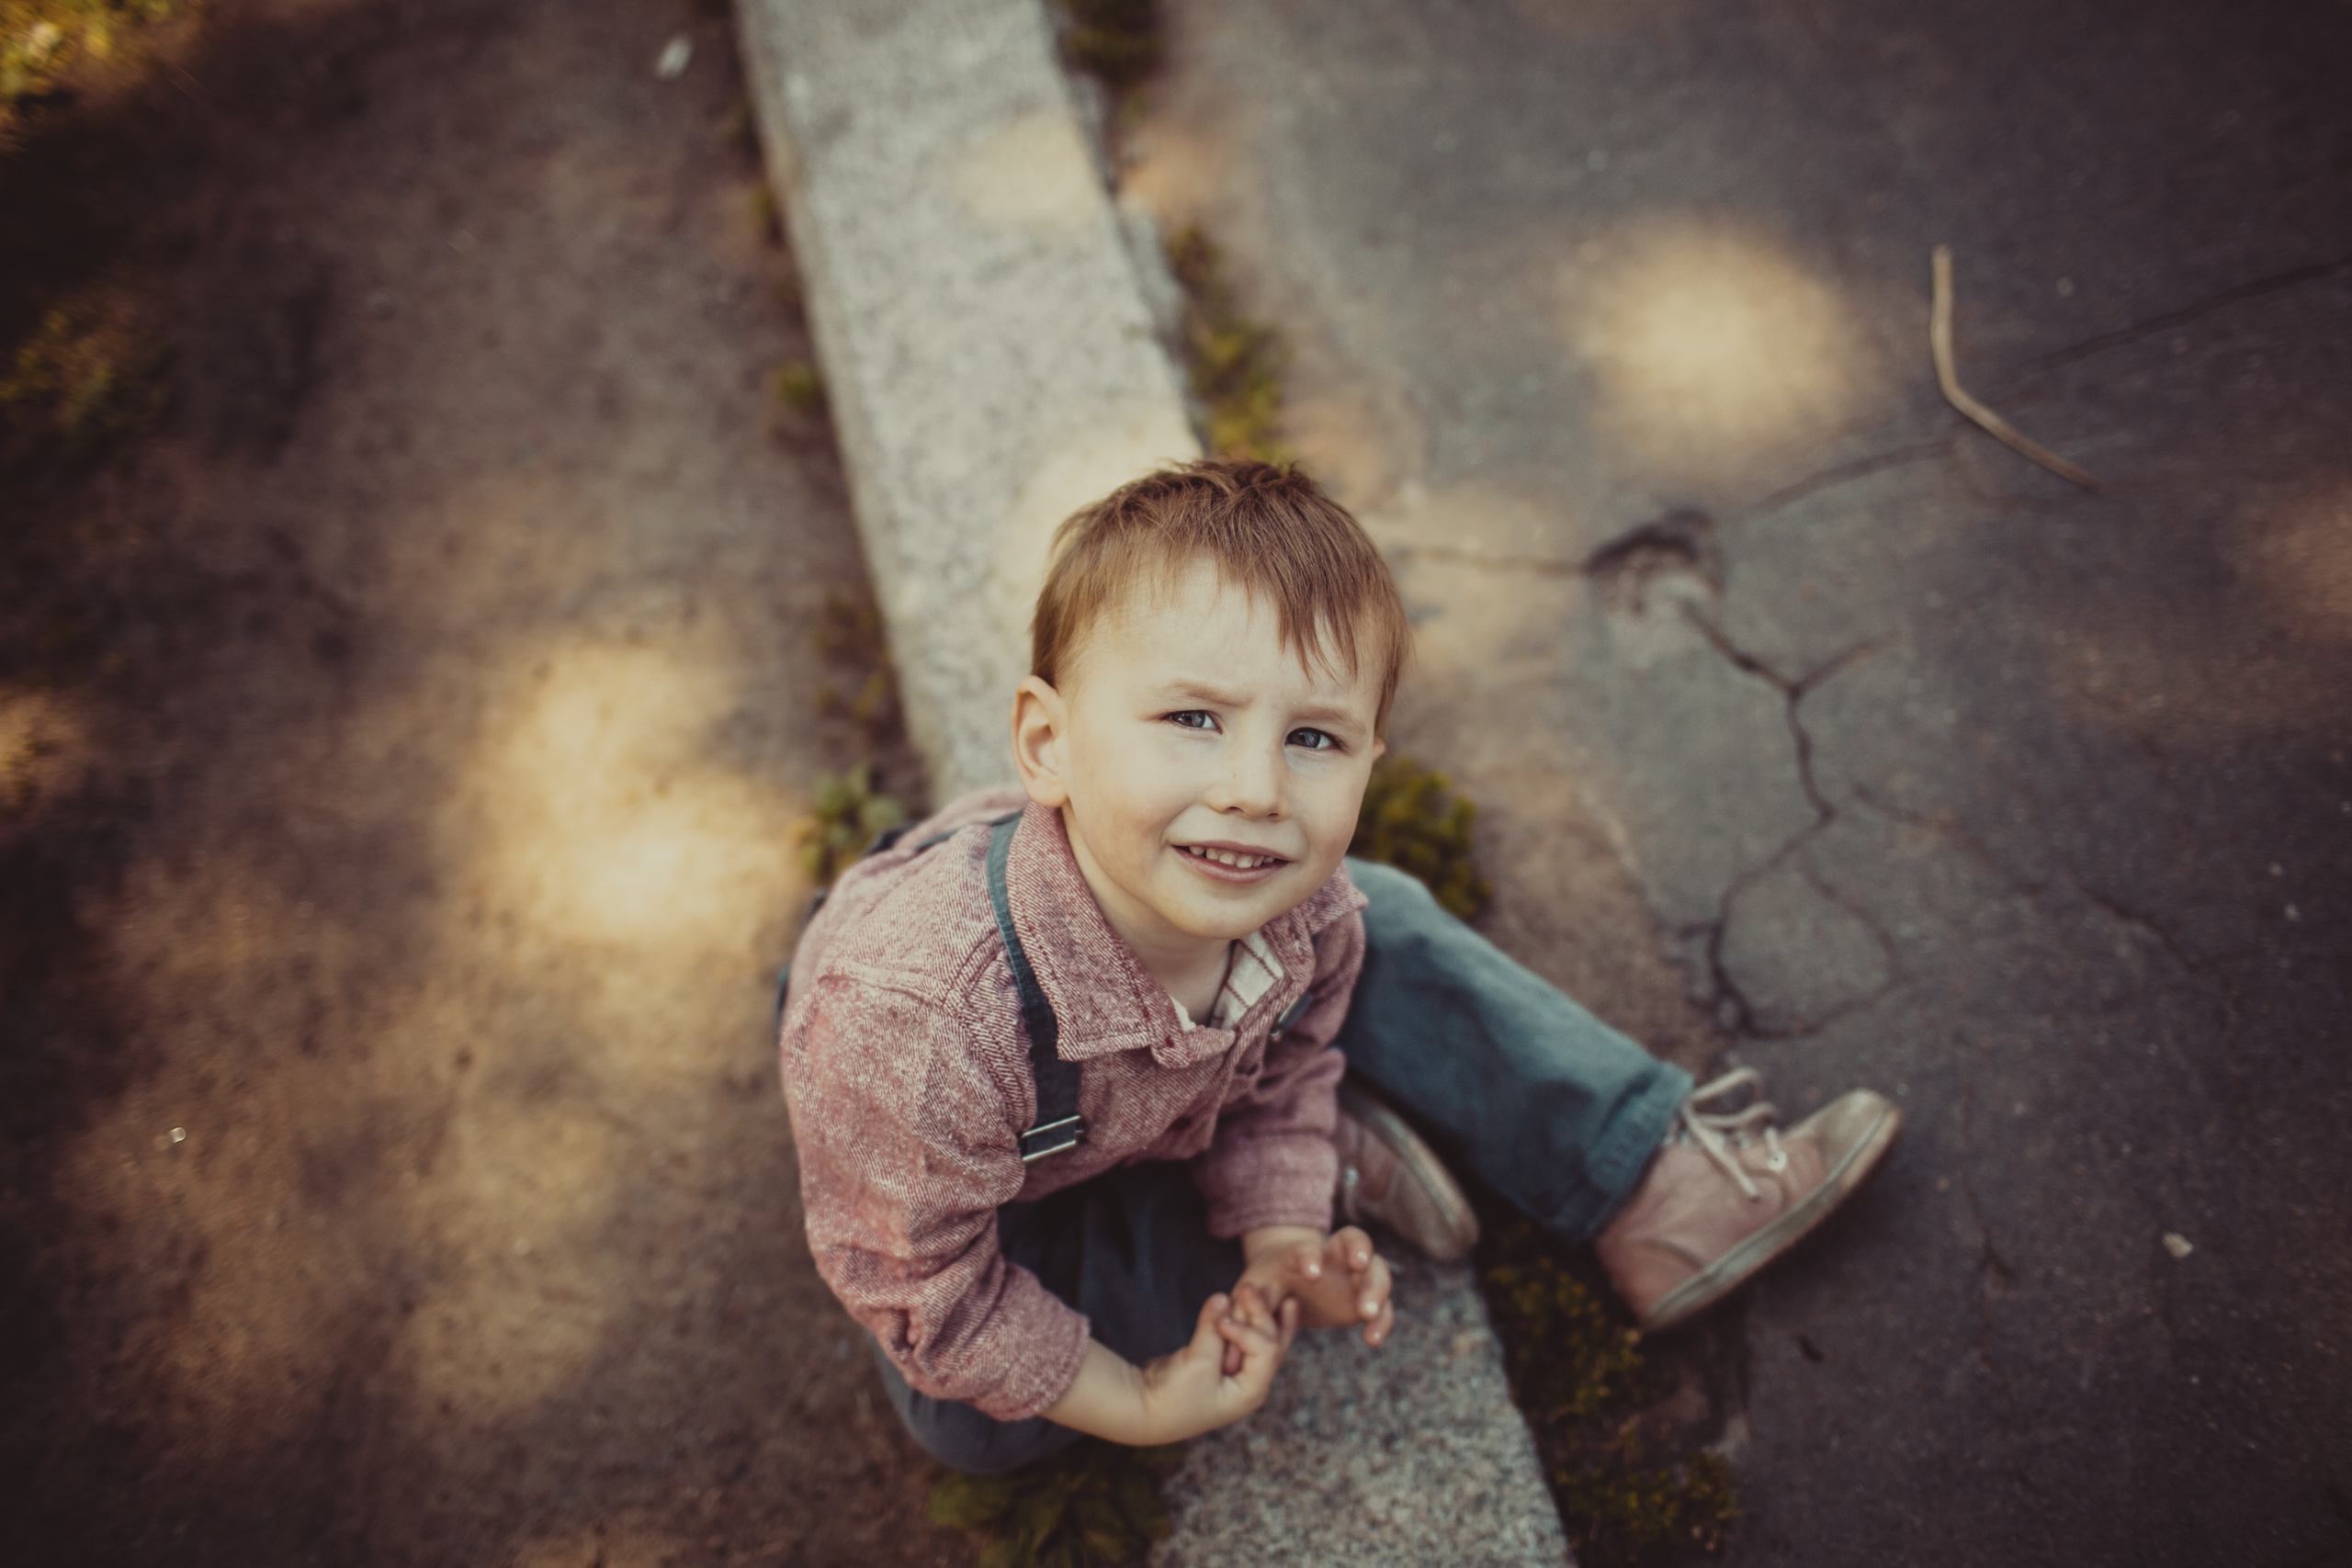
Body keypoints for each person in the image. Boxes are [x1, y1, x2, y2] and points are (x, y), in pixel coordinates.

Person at [777, 459, 1900, 1474]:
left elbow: (1292, 1062)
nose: (1256, 790)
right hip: (970, 1155)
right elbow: (924, 1286)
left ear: (1369, 756)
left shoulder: (1303, 910)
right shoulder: (920, 1028)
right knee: (975, 1419)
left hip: (1141, 1086)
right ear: (1046, 745)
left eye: (1313, 738)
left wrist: (1281, 1241)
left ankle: (1644, 1183)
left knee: (1378, 915)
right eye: (1192, 718)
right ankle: (1289, 1170)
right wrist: (1142, 1400)